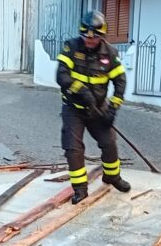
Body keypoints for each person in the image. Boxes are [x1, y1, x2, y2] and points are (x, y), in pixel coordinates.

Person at [56, 10, 132, 204]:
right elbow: (62, 76)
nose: (89, 40)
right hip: (74, 108)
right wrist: (82, 91)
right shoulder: (71, 47)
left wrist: (113, 108)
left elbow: (120, 82)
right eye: (86, 36)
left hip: (98, 108)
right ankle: (80, 189)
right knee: (73, 148)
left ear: (101, 36)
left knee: (109, 143)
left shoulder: (110, 54)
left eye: (94, 37)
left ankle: (112, 177)